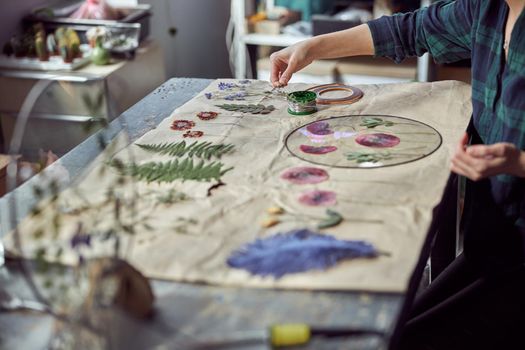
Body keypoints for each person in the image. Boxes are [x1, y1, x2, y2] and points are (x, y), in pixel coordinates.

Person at [270, 1, 525, 349]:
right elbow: (411, 29)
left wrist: (518, 163)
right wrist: (312, 47)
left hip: (517, 252)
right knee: (391, 327)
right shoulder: (488, 9)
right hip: (491, 238)